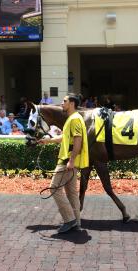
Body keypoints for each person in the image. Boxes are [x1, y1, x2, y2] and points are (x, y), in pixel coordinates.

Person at [38, 93, 89, 233]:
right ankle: (77, 222)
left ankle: (69, 219)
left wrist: (71, 161)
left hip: (67, 161)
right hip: (69, 161)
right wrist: (48, 140)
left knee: (54, 189)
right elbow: (64, 137)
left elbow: (77, 141)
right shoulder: (72, 118)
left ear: (72, 103)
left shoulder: (75, 119)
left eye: (64, 101)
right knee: (71, 192)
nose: (62, 103)